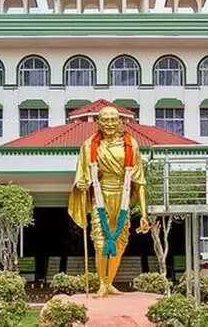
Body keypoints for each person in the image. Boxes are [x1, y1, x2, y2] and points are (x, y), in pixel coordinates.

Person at [69, 106, 150, 297]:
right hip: (101, 196)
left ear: (120, 122)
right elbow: (82, 175)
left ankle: (109, 281)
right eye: (105, 120)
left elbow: (140, 182)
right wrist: (82, 184)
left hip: (123, 196)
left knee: (120, 243)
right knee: (100, 242)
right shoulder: (89, 145)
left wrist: (144, 214)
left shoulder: (131, 144)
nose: (110, 124)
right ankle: (102, 283)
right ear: (98, 122)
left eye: (113, 119)